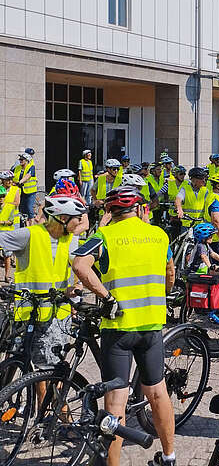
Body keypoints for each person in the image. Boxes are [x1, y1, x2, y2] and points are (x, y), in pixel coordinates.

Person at [72, 186, 176, 466]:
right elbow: (170, 273)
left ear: (110, 212)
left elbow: (80, 265)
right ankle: (169, 456)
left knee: (115, 402)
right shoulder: (159, 235)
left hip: (119, 328)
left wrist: (106, 298)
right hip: (152, 326)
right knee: (157, 391)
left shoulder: (104, 236)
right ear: (140, 209)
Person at [0, 196, 86, 368]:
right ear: (63, 218)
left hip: (58, 317)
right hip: (29, 312)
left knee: (52, 368)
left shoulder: (70, 239)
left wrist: (76, 288)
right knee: (29, 367)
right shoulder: (30, 234)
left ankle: (53, 396)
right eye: (77, 218)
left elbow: (80, 268)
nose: (80, 223)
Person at [0, 171, 21, 282]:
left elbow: (17, 203)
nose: (10, 181)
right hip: (4, 221)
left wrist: (5, 204)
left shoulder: (16, 189)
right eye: (7, 180)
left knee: (12, 245)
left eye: (11, 179)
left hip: (13, 220)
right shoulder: (0, 189)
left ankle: (12, 261)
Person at [14, 152, 38, 224]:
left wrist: (20, 182)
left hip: (30, 192)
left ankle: (32, 227)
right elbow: (12, 175)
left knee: (30, 209)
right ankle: (23, 227)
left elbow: (28, 175)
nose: (20, 160)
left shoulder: (31, 167)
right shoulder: (17, 168)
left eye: (22, 159)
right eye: (20, 159)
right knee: (22, 211)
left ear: (27, 160)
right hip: (20, 192)